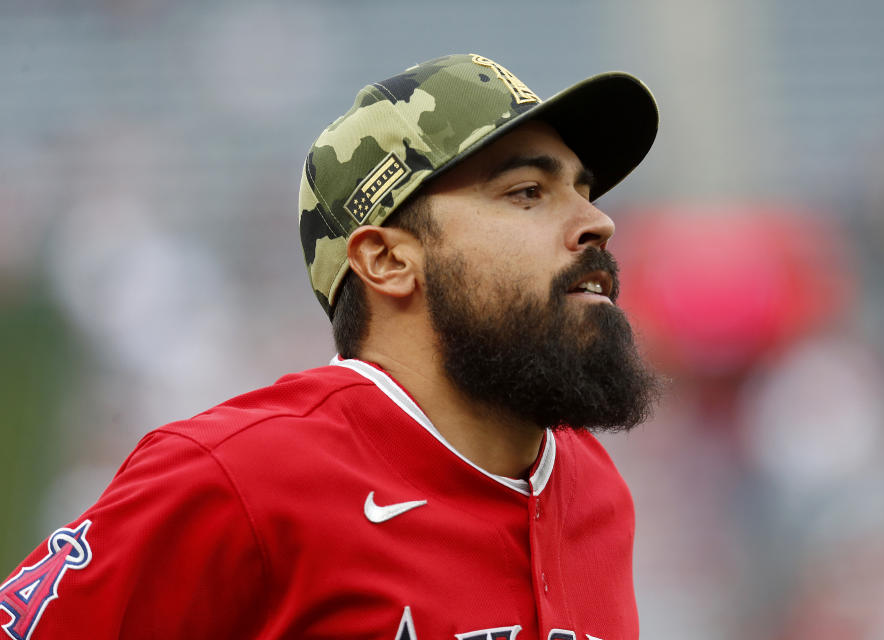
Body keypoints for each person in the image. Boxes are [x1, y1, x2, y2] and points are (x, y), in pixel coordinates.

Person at [1, 53, 660, 639]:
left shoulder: (594, 487)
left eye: (583, 188)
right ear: (388, 261)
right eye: (527, 193)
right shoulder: (238, 478)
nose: (596, 221)